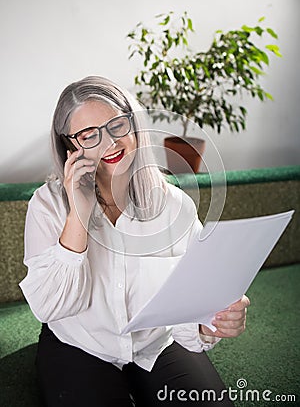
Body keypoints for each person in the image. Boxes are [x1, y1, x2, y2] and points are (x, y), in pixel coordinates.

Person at [20, 76, 250, 407]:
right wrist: (78, 216)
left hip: (156, 342)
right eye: (89, 135)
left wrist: (212, 322)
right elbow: (50, 306)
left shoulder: (173, 204)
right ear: (71, 147)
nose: (109, 143)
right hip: (79, 344)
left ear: (134, 125)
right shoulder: (47, 205)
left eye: (117, 125)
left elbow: (193, 293)